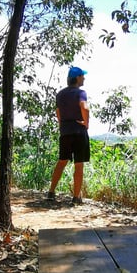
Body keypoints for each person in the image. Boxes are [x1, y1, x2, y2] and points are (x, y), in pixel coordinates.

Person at [47, 66, 90, 205]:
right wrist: (86, 123)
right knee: (79, 164)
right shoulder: (81, 93)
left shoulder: (60, 94)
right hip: (78, 131)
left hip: (65, 131)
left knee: (62, 161)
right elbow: (84, 107)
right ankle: (76, 197)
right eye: (82, 76)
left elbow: (58, 112)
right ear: (77, 78)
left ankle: (51, 192)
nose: (84, 78)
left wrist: (62, 125)